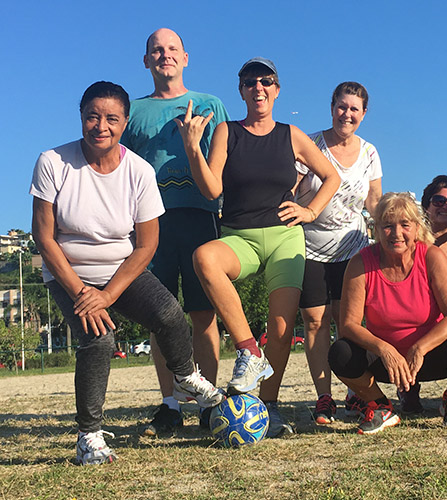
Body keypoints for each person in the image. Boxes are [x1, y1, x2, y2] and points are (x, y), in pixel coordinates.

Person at [30, 81, 224, 465]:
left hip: (120, 268)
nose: (101, 126)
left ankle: (185, 376)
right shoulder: (52, 162)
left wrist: (107, 294)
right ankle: (88, 436)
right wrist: (83, 293)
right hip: (69, 272)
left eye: (111, 119)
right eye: (92, 117)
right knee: (99, 339)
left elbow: (146, 245)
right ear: (81, 117)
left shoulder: (139, 170)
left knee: (169, 313)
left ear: (125, 122)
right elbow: (44, 238)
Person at [175, 57, 340, 438]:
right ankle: (249, 350)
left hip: (284, 237)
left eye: (266, 81)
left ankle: (269, 406)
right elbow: (212, 190)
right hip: (240, 236)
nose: (258, 88)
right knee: (204, 257)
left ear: (277, 90)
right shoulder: (227, 132)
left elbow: (331, 175)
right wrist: (192, 148)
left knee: (281, 329)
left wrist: (310, 211)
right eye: (250, 82)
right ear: (242, 91)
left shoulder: (291, 135)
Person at [122, 28, 230, 436]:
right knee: (160, 316)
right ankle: (169, 404)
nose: (164, 55)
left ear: (186, 58)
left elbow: (225, 163)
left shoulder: (210, 105)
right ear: (145, 60)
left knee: (203, 313)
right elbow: (119, 169)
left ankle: (207, 401)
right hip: (151, 224)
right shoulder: (132, 111)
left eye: (172, 49)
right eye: (156, 50)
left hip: (202, 218)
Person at [329, 193, 447, 433]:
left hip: (430, 354)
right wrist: (385, 349)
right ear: (376, 229)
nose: (396, 233)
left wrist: (420, 347)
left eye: (405, 224)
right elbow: (349, 324)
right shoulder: (360, 262)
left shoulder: (431, 256)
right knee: (341, 353)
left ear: (417, 228)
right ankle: (380, 406)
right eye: (387, 226)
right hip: (386, 360)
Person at [293, 82, 382, 424]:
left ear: (364, 114)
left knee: (349, 324)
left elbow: (374, 201)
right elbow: (291, 189)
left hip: (353, 249)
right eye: (342, 107)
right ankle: (324, 398)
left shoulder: (370, 153)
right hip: (309, 248)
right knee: (315, 322)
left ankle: (355, 392)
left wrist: (389, 235)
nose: (347, 114)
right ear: (331, 108)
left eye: (354, 109)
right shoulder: (310, 144)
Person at [391, 173, 447, 415]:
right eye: (439, 201)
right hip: (417, 319)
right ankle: (408, 388)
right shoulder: (408, 242)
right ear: (426, 207)